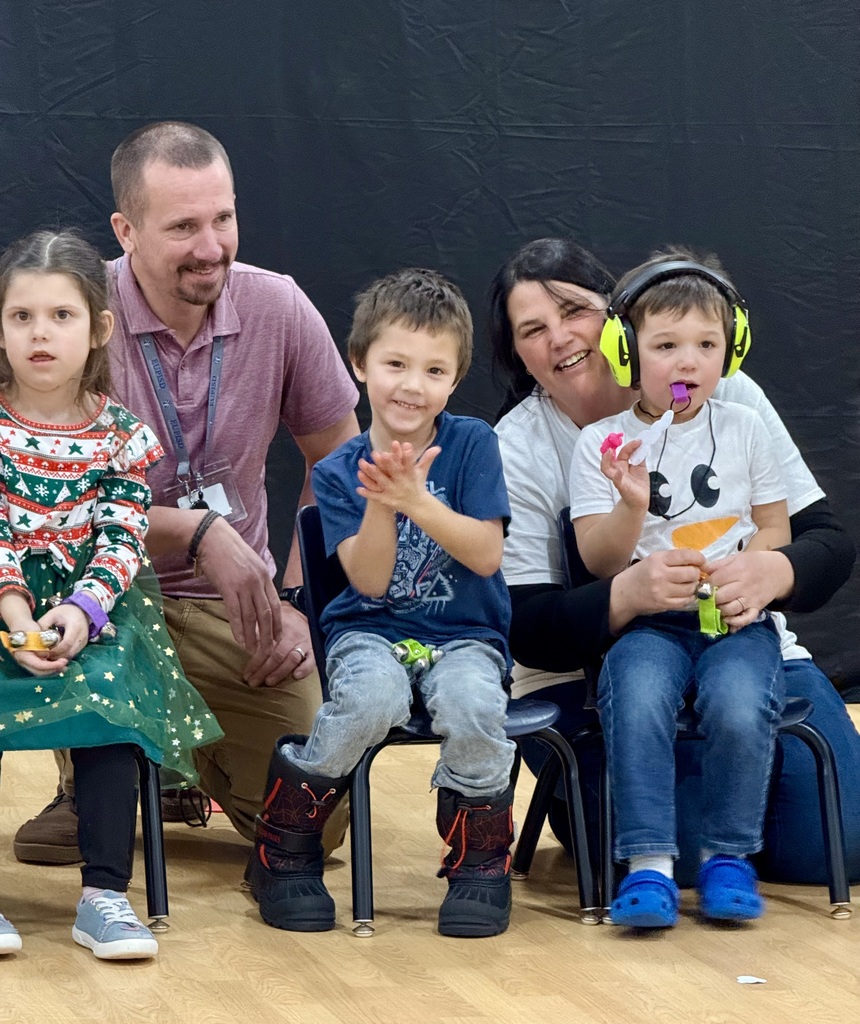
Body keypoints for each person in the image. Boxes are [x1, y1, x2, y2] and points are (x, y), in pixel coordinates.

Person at [14, 121, 359, 866]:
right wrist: (197, 532)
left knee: (315, 823)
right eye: (182, 227)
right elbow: (46, 493)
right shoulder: (72, 317)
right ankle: (100, 777)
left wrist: (299, 606)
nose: (211, 247)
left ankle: (175, 761)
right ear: (126, 230)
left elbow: (339, 466)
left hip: (228, 604)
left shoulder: (280, 308)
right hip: (99, 592)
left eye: (223, 219)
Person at [490, 236, 858, 890]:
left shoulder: (730, 395)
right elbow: (528, 629)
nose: (559, 338)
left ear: (615, 321)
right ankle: (718, 830)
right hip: (592, 673)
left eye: (574, 311)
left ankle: (740, 822)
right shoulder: (517, 447)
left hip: (737, 642)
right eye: (532, 329)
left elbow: (825, 540)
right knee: (674, 855)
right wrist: (624, 594)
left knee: (843, 848)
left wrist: (776, 572)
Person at [249, 268, 517, 937]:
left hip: (465, 636)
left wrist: (419, 503)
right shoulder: (341, 469)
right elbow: (367, 582)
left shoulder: (473, 444)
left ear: (453, 381)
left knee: (474, 705)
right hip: (368, 631)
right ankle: (284, 845)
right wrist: (380, 505)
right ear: (359, 363)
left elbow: (485, 555)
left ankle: (479, 860)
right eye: (396, 363)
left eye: (433, 370)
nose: (411, 384)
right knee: (370, 702)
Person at [0, 229, 222, 958]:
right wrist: (14, 610)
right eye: (21, 316)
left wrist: (81, 610)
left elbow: (123, 539)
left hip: (93, 612)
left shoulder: (119, 436)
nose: (40, 334)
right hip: (3, 606)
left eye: (60, 316)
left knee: (109, 703)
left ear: (96, 329)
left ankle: (103, 895)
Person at [569, 250, 789, 926]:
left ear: (733, 349)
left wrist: (753, 570)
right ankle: (649, 866)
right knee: (634, 701)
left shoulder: (749, 430)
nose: (687, 362)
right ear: (626, 353)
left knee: (740, 701)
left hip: (733, 622)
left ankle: (728, 858)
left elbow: (778, 529)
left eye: (705, 345)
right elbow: (598, 561)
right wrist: (631, 504)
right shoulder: (599, 444)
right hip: (648, 627)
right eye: (665, 346)